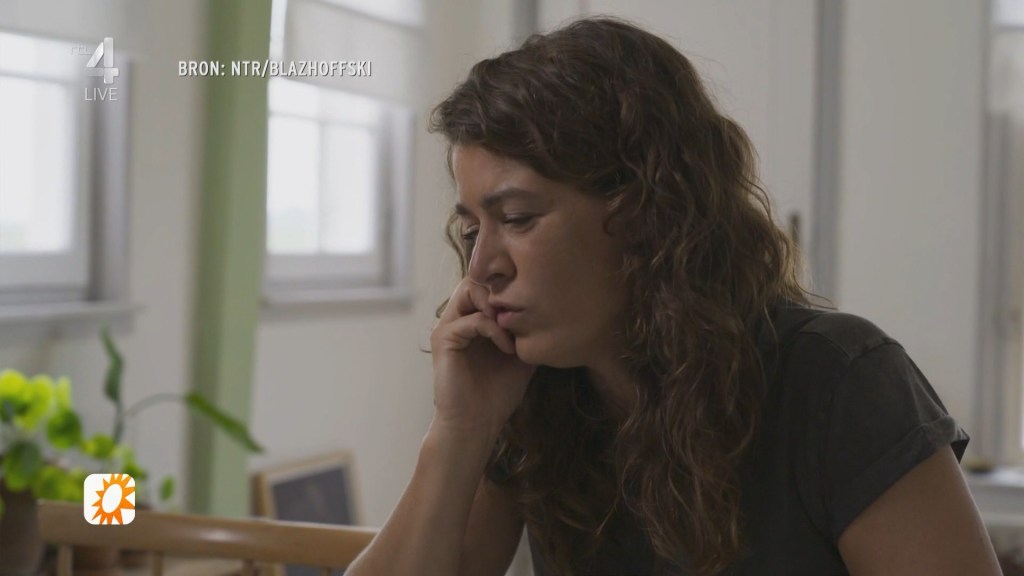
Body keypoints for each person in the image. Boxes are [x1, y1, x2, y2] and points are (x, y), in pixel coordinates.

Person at [346, 17, 1001, 576]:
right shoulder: (536, 393)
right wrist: (459, 431)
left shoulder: (840, 383)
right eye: (471, 228)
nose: (481, 267)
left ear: (645, 212)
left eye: (517, 218)